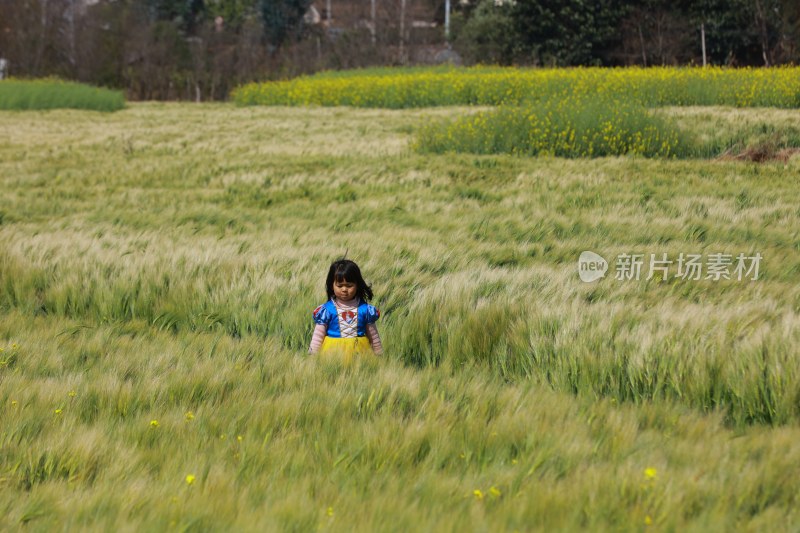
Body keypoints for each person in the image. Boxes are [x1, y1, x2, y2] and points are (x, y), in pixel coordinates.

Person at [308, 259, 383, 362]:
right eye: (339, 286)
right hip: (332, 354)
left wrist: (379, 354)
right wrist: (313, 355)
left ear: (357, 285)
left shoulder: (365, 310)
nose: (344, 289)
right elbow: (318, 335)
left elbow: (373, 335)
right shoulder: (327, 310)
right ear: (332, 285)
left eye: (349, 285)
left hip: (360, 353)